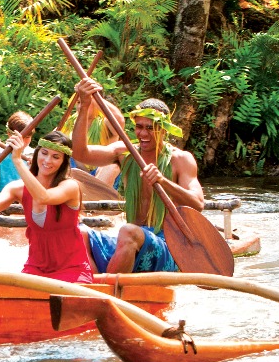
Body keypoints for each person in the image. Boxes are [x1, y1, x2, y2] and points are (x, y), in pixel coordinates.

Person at [70, 86, 204, 274]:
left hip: (168, 244)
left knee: (127, 231)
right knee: (78, 233)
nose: (142, 134)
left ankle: (111, 289)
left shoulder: (181, 160)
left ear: (164, 129)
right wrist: (84, 107)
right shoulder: (124, 153)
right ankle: (96, 289)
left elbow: (198, 204)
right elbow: (79, 153)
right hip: (132, 238)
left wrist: (163, 182)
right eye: (139, 127)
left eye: (150, 128)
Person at [0, 130, 96, 283]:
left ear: (64, 162)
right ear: (37, 153)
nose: (48, 160)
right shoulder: (17, 188)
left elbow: (43, 197)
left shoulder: (70, 186)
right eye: (44, 153)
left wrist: (17, 160)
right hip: (35, 268)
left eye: (55, 157)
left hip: (71, 269)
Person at [0, 111, 31, 193]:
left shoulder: (33, 155)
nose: (22, 141)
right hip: (1, 199)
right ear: (9, 133)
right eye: (19, 137)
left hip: (23, 200)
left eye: (27, 137)